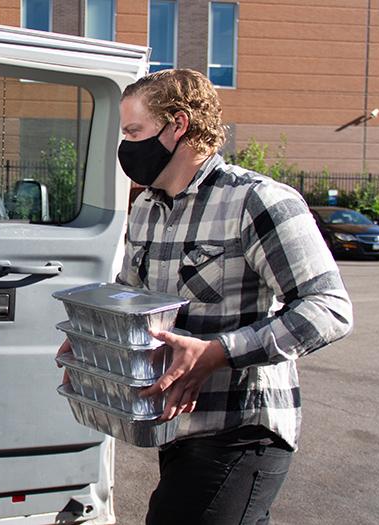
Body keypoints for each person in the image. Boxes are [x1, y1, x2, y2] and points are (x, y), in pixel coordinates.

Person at [57, 69, 353, 524]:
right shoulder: (147, 207)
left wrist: (217, 353)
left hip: (243, 431)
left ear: (178, 125)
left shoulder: (259, 200)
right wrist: (92, 339)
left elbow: (328, 308)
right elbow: (130, 300)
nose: (126, 146)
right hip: (178, 430)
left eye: (134, 132)